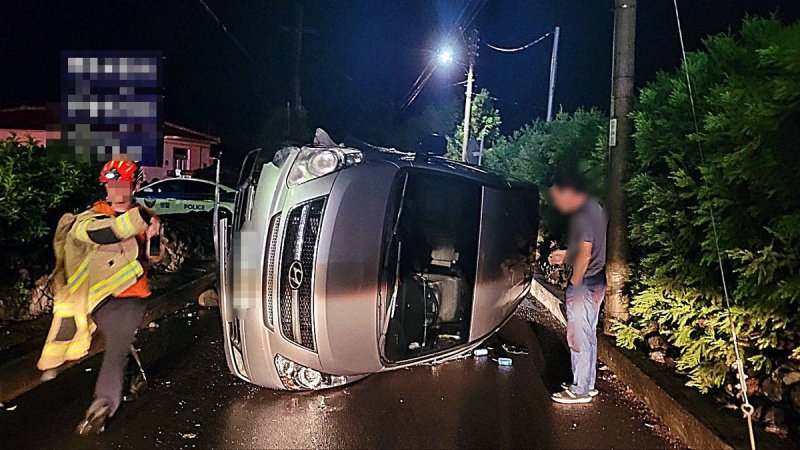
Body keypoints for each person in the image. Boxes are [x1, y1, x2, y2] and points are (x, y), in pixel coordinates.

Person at [37, 160, 163, 434]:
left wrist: (154, 234)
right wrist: (144, 220)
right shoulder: (88, 219)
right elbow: (107, 232)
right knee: (120, 342)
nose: (115, 190)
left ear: (135, 186)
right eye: (110, 184)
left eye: (121, 184)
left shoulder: (145, 215)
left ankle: (102, 404)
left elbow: (153, 257)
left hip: (134, 295)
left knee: (117, 343)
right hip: (100, 300)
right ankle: (130, 379)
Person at [547, 171, 607, 404]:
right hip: (596, 279)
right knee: (588, 334)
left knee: (578, 336)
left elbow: (585, 251)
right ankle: (587, 383)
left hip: (585, 282)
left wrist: (574, 283)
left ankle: (580, 389)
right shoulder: (595, 209)